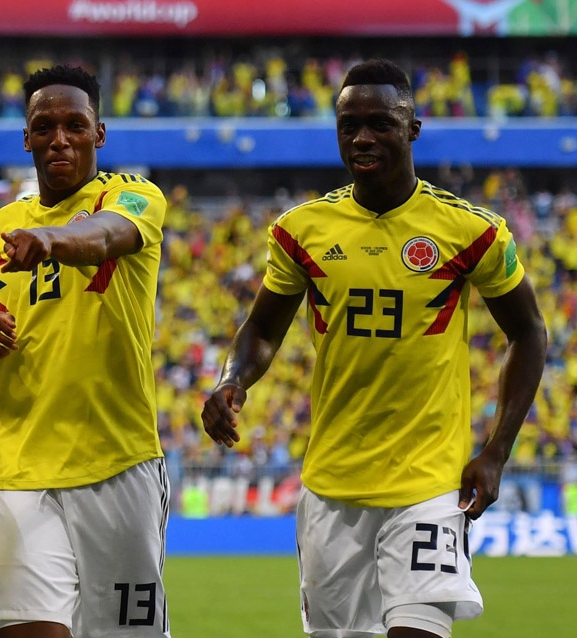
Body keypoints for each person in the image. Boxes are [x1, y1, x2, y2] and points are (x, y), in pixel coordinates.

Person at [201, 59, 547, 638]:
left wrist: (497, 450)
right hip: (332, 488)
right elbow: (261, 329)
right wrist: (231, 379)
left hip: (429, 486)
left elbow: (529, 332)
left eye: (380, 123)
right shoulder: (301, 230)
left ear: (412, 128)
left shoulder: (473, 231)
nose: (362, 137)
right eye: (349, 125)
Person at [0, 65, 171, 638]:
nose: (60, 139)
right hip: (21, 465)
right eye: (44, 127)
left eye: (75, 125)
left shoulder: (134, 196)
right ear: (27, 138)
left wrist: (49, 240)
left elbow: (106, 235)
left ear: (99, 134)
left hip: (116, 460)